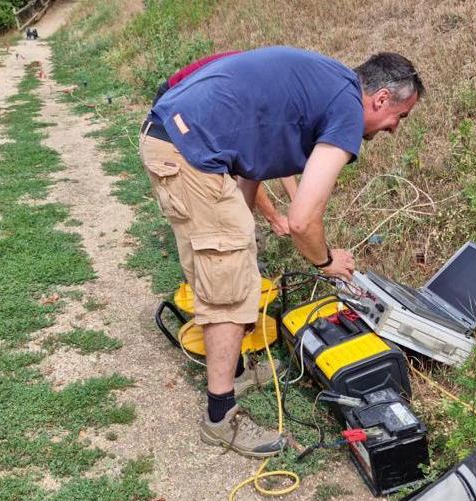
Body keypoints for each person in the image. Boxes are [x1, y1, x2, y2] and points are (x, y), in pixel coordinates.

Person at [139, 47, 424, 458]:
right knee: (230, 282)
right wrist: (327, 261)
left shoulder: (329, 83)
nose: (394, 129)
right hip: (189, 148)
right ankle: (221, 418)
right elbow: (304, 221)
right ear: (381, 99)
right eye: (400, 117)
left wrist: (245, 230)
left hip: (178, 138)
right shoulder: (345, 107)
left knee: (226, 262)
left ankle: (233, 372)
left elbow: (255, 159)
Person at [152, 52, 298, 237]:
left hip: (203, 97)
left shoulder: (271, 86)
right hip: (175, 99)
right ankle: (227, 237)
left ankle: (237, 233)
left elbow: (279, 150)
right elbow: (249, 166)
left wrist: (297, 204)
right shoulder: (252, 91)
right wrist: (274, 217)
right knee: (214, 178)